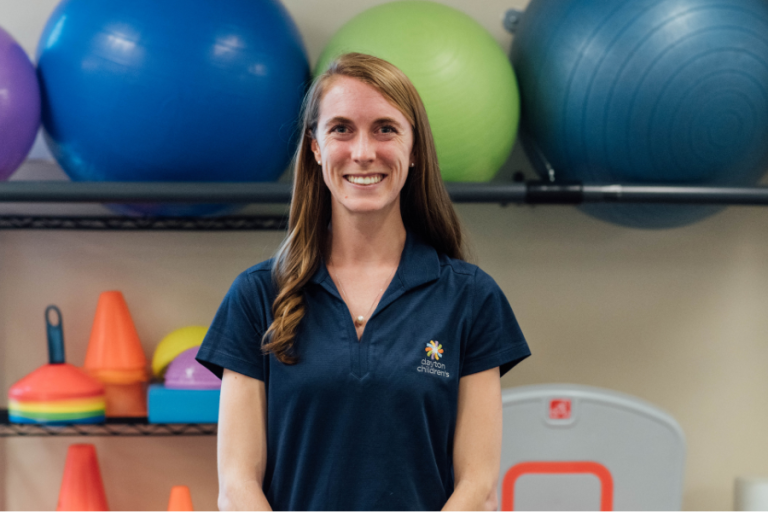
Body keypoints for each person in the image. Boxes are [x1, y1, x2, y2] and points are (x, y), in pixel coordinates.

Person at [196, 52, 530, 511]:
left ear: (414, 150)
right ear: (315, 148)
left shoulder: (470, 299)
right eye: (341, 129)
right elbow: (236, 486)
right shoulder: (257, 296)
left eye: (385, 129)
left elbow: (478, 485)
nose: (363, 152)